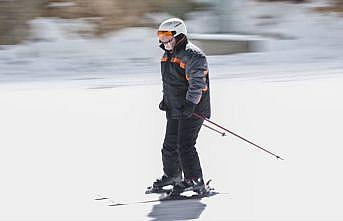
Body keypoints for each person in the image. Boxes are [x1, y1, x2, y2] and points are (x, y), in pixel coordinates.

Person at [152, 18, 211, 195]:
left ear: (179, 35)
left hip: (193, 109)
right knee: (169, 145)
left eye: (167, 36)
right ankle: (173, 175)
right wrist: (166, 100)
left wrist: (191, 104)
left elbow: (197, 84)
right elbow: (169, 83)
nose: (163, 41)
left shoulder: (193, 55)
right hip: (175, 108)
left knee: (185, 144)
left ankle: (194, 179)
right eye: (160, 36)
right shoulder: (167, 56)